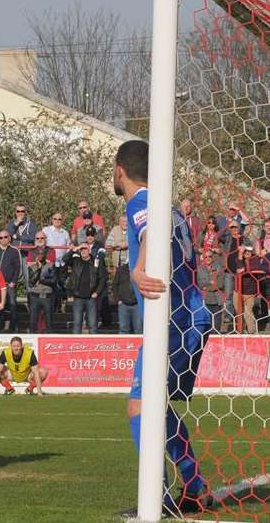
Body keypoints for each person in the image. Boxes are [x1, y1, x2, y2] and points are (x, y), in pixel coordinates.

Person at [114, 139, 214, 516]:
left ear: (119, 170)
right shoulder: (169, 207)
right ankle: (193, 486)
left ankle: (155, 499)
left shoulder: (142, 204)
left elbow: (147, 232)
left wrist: (137, 269)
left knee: (140, 405)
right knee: (156, 406)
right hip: (192, 316)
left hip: (173, 321)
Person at [63, 244, 107, 335]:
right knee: (77, 324)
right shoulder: (76, 261)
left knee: (92, 324)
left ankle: (93, 346)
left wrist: (97, 292)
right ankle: (76, 346)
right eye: (81, 250)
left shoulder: (96, 261)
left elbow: (102, 278)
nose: (83, 251)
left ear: (89, 251)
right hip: (78, 297)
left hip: (91, 297)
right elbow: (64, 259)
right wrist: (76, 249)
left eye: (85, 249)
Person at [236, 246, 266, 334]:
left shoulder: (255, 259)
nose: (247, 253)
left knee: (247, 311)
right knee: (239, 312)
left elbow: (257, 267)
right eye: (245, 251)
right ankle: (241, 330)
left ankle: (252, 331)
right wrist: (240, 256)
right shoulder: (238, 259)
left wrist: (244, 269)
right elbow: (238, 268)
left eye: (249, 251)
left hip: (250, 291)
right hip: (238, 290)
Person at [0, 230, 22, 332]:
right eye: (1, 238)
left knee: (12, 305)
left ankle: (14, 328)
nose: (3, 239)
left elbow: (17, 267)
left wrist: (14, 281)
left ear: (9, 238)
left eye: (5, 237)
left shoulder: (14, 250)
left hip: (9, 284)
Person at [26, 248, 56, 333]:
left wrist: (42, 280)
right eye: (38, 254)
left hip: (47, 296)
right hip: (35, 296)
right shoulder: (31, 267)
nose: (39, 256)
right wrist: (39, 269)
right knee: (32, 322)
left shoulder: (50, 265)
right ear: (35, 256)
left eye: (42, 254)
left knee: (49, 322)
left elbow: (53, 281)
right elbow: (31, 282)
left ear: (45, 255)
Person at [196, 251, 226, 332]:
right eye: (206, 257)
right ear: (203, 259)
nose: (208, 258)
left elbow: (220, 284)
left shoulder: (219, 268)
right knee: (206, 324)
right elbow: (199, 284)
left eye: (210, 256)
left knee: (216, 324)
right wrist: (210, 283)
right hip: (205, 299)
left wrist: (207, 286)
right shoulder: (199, 269)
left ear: (213, 258)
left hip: (217, 299)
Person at [112, 262, 142, 334]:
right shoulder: (121, 269)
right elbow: (114, 285)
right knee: (123, 329)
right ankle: (124, 345)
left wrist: (141, 300)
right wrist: (118, 299)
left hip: (137, 304)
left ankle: (140, 345)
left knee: (138, 329)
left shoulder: (141, 269)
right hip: (123, 304)